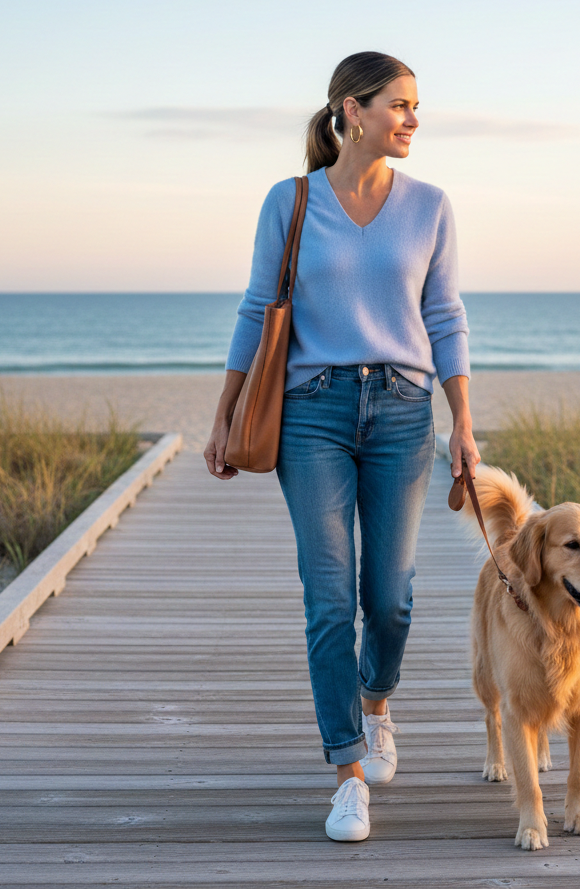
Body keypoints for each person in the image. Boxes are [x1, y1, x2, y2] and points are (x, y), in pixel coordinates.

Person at [204, 51, 480, 841]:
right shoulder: (289, 203)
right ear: (351, 112)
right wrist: (223, 415)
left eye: (415, 106)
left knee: (388, 599)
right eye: (399, 105)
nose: (413, 119)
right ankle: (348, 771)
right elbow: (258, 309)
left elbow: (446, 316)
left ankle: (377, 702)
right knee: (328, 600)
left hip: (402, 409)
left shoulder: (430, 205)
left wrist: (462, 422)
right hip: (311, 413)